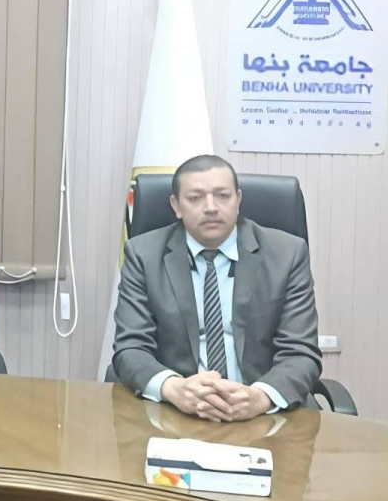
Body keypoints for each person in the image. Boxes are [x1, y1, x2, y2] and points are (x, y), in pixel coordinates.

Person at [111, 154, 321, 421]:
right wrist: (173, 388)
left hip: (261, 413)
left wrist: (260, 397)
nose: (211, 207)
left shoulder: (287, 254)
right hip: (174, 412)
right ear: (176, 205)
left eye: (222, 196)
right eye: (195, 198)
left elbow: (301, 353)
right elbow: (131, 347)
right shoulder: (143, 255)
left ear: (238, 200)